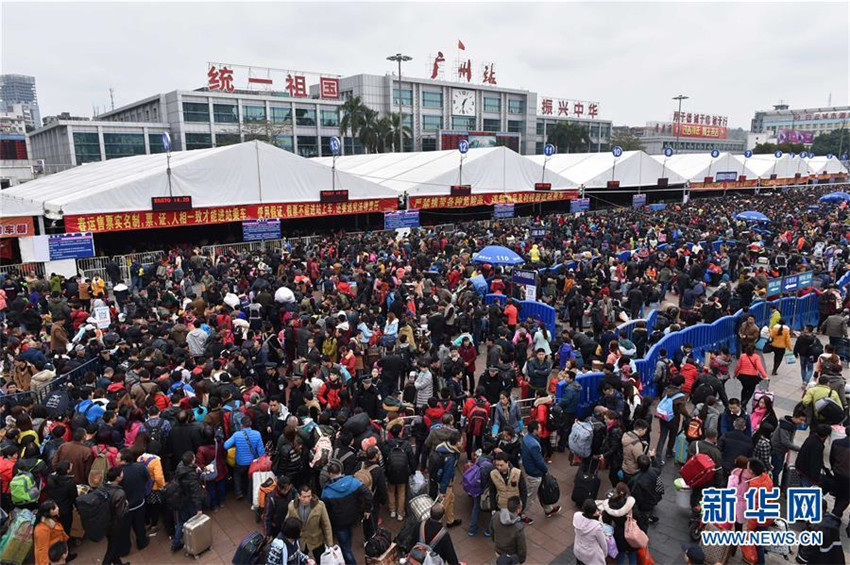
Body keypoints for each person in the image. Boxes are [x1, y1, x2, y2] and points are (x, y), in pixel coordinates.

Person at [321, 459, 373, 565]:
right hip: (353, 517)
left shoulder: (326, 492)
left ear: (330, 474)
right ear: (340, 470)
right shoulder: (353, 482)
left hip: (339, 523)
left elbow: (324, 510)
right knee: (349, 540)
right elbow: (368, 494)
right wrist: (367, 509)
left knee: (346, 549)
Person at [520, 420, 561, 519]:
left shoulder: (526, 438)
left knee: (541, 491)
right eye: (539, 428)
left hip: (530, 470)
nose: (541, 429)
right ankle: (522, 514)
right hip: (535, 473)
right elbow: (539, 461)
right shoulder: (534, 445)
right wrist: (546, 470)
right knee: (531, 495)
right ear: (534, 430)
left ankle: (548, 509)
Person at [170, 451, 206, 553]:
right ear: (192, 460)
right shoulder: (192, 478)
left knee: (181, 521)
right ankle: (198, 542)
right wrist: (199, 508)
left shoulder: (180, 466)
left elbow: (188, 465)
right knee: (194, 520)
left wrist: (195, 467)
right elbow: (195, 494)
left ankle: (176, 543)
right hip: (189, 500)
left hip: (181, 498)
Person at [286, 485, 332, 563]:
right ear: (299, 496)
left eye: (309, 496)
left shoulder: (320, 506)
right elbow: (287, 523)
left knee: (322, 561)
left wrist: (330, 544)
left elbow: (326, 525)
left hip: (317, 540)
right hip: (301, 541)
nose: (307, 499)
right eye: (304, 497)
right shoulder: (292, 507)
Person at [223, 416, 264, 502]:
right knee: (250, 478)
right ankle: (249, 494)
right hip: (252, 462)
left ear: (241, 425)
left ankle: (238, 492)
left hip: (240, 462)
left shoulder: (237, 435)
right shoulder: (257, 434)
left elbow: (225, 445)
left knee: (237, 475)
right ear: (251, 424)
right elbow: (261, 451)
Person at [597, 482, 637, 565]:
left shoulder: (610, 504)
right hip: (632, 532)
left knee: (621, 555)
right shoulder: (632, 505)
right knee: (632, 555)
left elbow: (606, 520)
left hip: (619, 534)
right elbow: (640, 518)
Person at [118, 449, 149, 551]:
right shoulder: (141, 467)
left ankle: (125, 549)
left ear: (124, 460)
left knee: (125, 529)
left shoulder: (118, 473)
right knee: (140, 525)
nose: (116, 459)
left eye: (118, 458)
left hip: (125, 506)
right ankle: (142, 543)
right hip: (139, 502)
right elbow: (146, 479)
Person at [382, 423, 415, 521]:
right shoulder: (407, 444)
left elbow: (384, 458)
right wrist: (412, 470)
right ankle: (400, 513)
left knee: (391, 491)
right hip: (403, 472)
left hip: (390, 471)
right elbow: (411, 460)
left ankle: (392, 510)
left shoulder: (387, 444)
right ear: (401, 432)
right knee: (401, 492)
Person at [489, 452, 529, 525]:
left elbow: (524, 491)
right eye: (497, 465)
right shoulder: (493, 474)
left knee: (516, 526)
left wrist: (522, 507)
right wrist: (493, 508)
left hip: (515, 507)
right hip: (501, 506)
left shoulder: (517, 473)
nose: (499, 467)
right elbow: (492, 491)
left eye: (501, 465)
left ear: (507, 463)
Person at [769, 408, 805, 486]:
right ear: (795, 417)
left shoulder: (790, 424)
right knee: (776, 469)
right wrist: (799, 449)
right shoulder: (786, 426)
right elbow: (785, 442)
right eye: (801, 420)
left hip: (780, 450)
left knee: (778, 468)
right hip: (777, 450)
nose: (802, 423)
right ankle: (774, 485)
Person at [43, 461, 77, 541]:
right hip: (65, 509)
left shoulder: (50, 479)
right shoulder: (69, 482)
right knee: (65, 528)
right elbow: (73, 496)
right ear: (67, 470)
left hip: (53, 507)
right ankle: (65, 546)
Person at [102, 467, 129, 565]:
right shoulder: (119, 493)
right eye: (121, 473)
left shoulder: (103, 486)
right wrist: (126, 505)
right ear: (118, 478)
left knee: (112, 544)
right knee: (112, 549)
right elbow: (120, 512)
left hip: (105, 520)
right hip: (115, 524)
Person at [34, 500, 73, 565]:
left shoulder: (51, 520)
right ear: (48, 512)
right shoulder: (41, 529)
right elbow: (42, 550)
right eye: (54, 508)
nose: (57, 508)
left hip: (58, 555)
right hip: (54, 559)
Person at [490, 495, 527, 564]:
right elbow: (522, 548)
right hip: (511, 556)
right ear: (518, 510)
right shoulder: (518, 528)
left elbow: (491, 530)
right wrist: (521, 560)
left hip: (498, 550)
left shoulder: (496, 516)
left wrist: (495, 542)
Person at [733, 344, 769, 409]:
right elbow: (760, 367)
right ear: (754, 350)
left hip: (743, 376)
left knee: (744, 388)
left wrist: (735, 374)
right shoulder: (756, 357)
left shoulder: (742, 356)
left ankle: (743, 402)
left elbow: (738, 366)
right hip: (752, 377)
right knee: (751, 390)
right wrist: (765, 376)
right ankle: (745, 402)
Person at [573, 499, 607, 565]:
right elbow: (603, 544)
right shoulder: (596, 526)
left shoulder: (577, 516)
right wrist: (604, 554)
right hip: (590, 555)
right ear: (594, 512)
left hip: (578, 549)